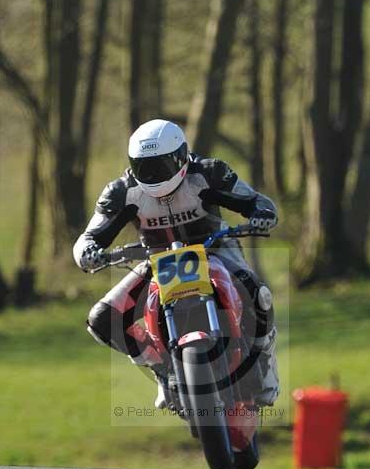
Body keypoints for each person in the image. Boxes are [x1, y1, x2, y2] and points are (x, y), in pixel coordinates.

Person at [73, 118, 279, 406]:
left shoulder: (209, 172)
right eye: (143, 167)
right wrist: (87, 251)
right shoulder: (120, 192)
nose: (153, 175)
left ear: (181, 155)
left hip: (216, 249)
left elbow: (256, 200)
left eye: (161, 165)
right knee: (102, 319)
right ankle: (162, 369)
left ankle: (265, 363)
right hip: (156, 260)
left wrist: (261, 214)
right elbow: (89, 235)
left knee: (259, 295)